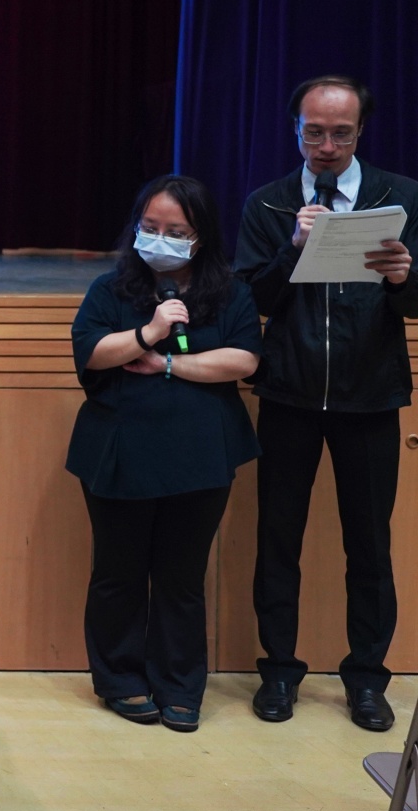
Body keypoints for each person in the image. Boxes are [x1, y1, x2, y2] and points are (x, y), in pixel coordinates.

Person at [235, 74, 418, 731]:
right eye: (314, 132)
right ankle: (279, 672)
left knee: (369, 546)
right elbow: (250, 300)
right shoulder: (270, 203)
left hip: (369, 398)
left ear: (361, 131)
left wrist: (404, 279)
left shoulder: (401, 197)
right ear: (296, 130)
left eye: (341, 133)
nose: (327, 146)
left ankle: (366, 679)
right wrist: (292, 251)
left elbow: (416, 302)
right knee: (277, 540)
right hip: (290, 393)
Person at [68, 176, 261, 732]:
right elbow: (91, 352)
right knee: (119, 572)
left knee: (181, 576)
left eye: (175, 231)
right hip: (119, 453)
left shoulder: (231, 292)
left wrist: (168, 364)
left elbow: (244, 359)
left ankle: (179, 685)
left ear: (201, 236)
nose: (160, 239)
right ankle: (120, 679)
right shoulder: (110, 289)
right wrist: (149, 332)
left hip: (201, 456)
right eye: (150, 227)